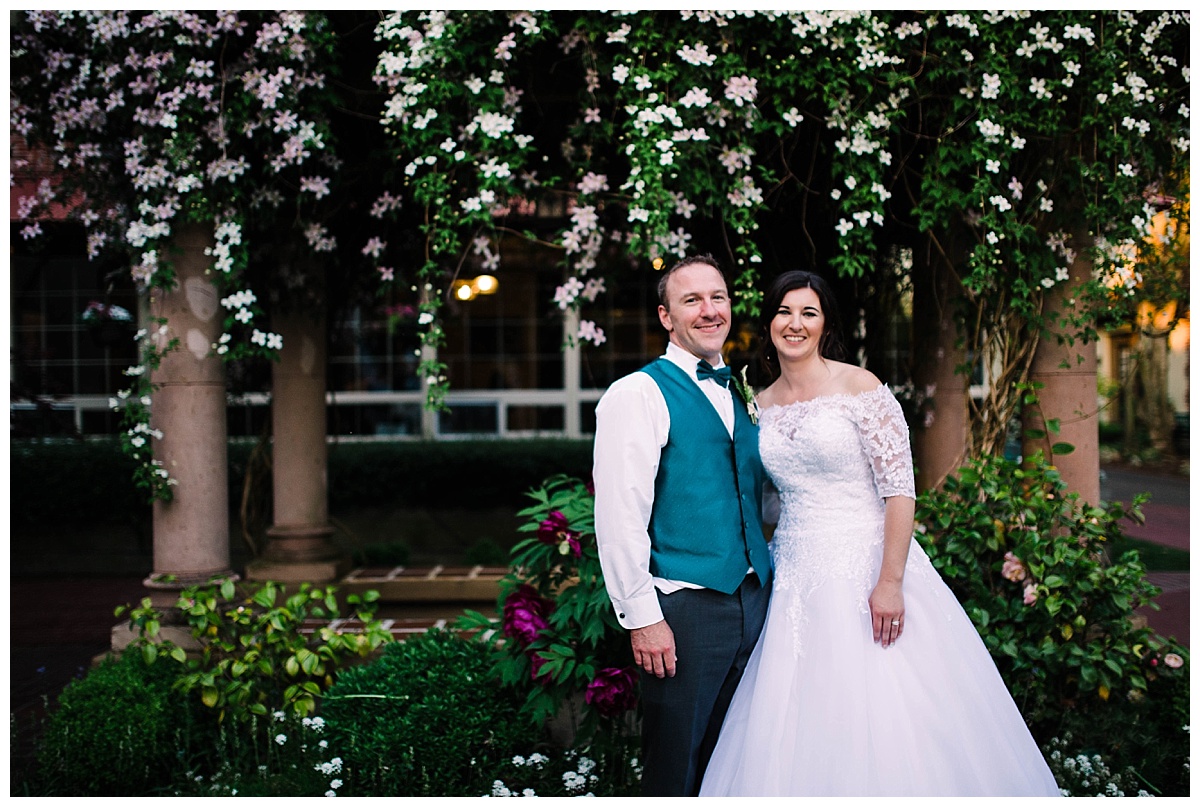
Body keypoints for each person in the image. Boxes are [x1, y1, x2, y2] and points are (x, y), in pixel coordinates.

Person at [699, 270, 1061, 797]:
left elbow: (900, 490)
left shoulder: (860, 387)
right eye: (784, 312)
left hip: (868, 563)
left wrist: (889, 581)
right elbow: (770, 499)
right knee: (797, 705)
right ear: (769, 321)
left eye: (809, 313)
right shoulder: (756, 401)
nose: (794, 324)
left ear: (826, 325)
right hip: (796, 572)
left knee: (887, 702)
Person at [592, 254, 772, 796]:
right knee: (675, 769)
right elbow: (619, 516)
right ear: (666, 317)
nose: (709, 310)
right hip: (685, 607)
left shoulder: (742, 391)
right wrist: (642, 617)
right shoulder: (637, 394)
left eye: (717, 298)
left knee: (736, 763)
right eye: (691, 300)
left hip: (754, 601)